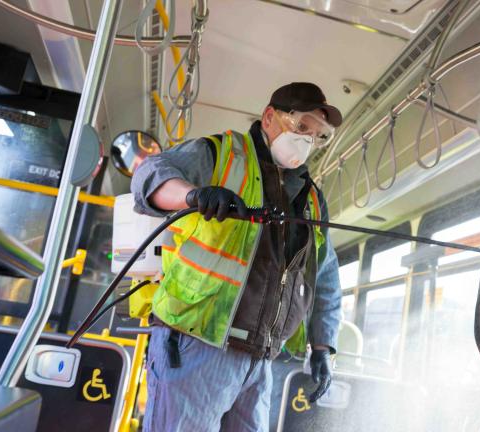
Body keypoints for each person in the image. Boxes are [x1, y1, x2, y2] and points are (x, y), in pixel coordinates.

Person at [131, 82, 343, 431]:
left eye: (318, 136)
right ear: (270, 117)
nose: (307, 141)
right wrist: (193, 195)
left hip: (260, 361)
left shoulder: (311, 199)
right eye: (302, 126)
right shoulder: (220, 154)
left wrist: (323, 345)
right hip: (197, 344)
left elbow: (324, 278)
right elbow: (147, 175)